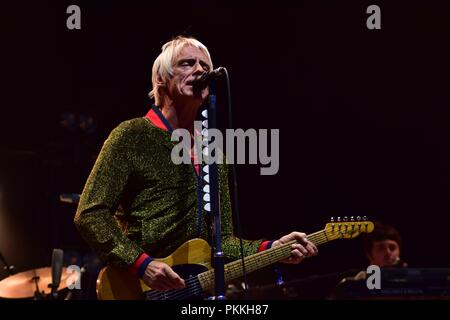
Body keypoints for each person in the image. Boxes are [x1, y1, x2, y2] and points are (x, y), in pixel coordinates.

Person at [74, 36, 317, 294]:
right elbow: (90, 213)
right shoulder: (131, 135)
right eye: (187, 63)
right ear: (161, 79)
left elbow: (223, 242)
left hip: (192, 291)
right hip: (138, 286)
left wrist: (271, 248)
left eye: (205, 66)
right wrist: (142, 264)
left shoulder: (214, 152)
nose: (200, 70)